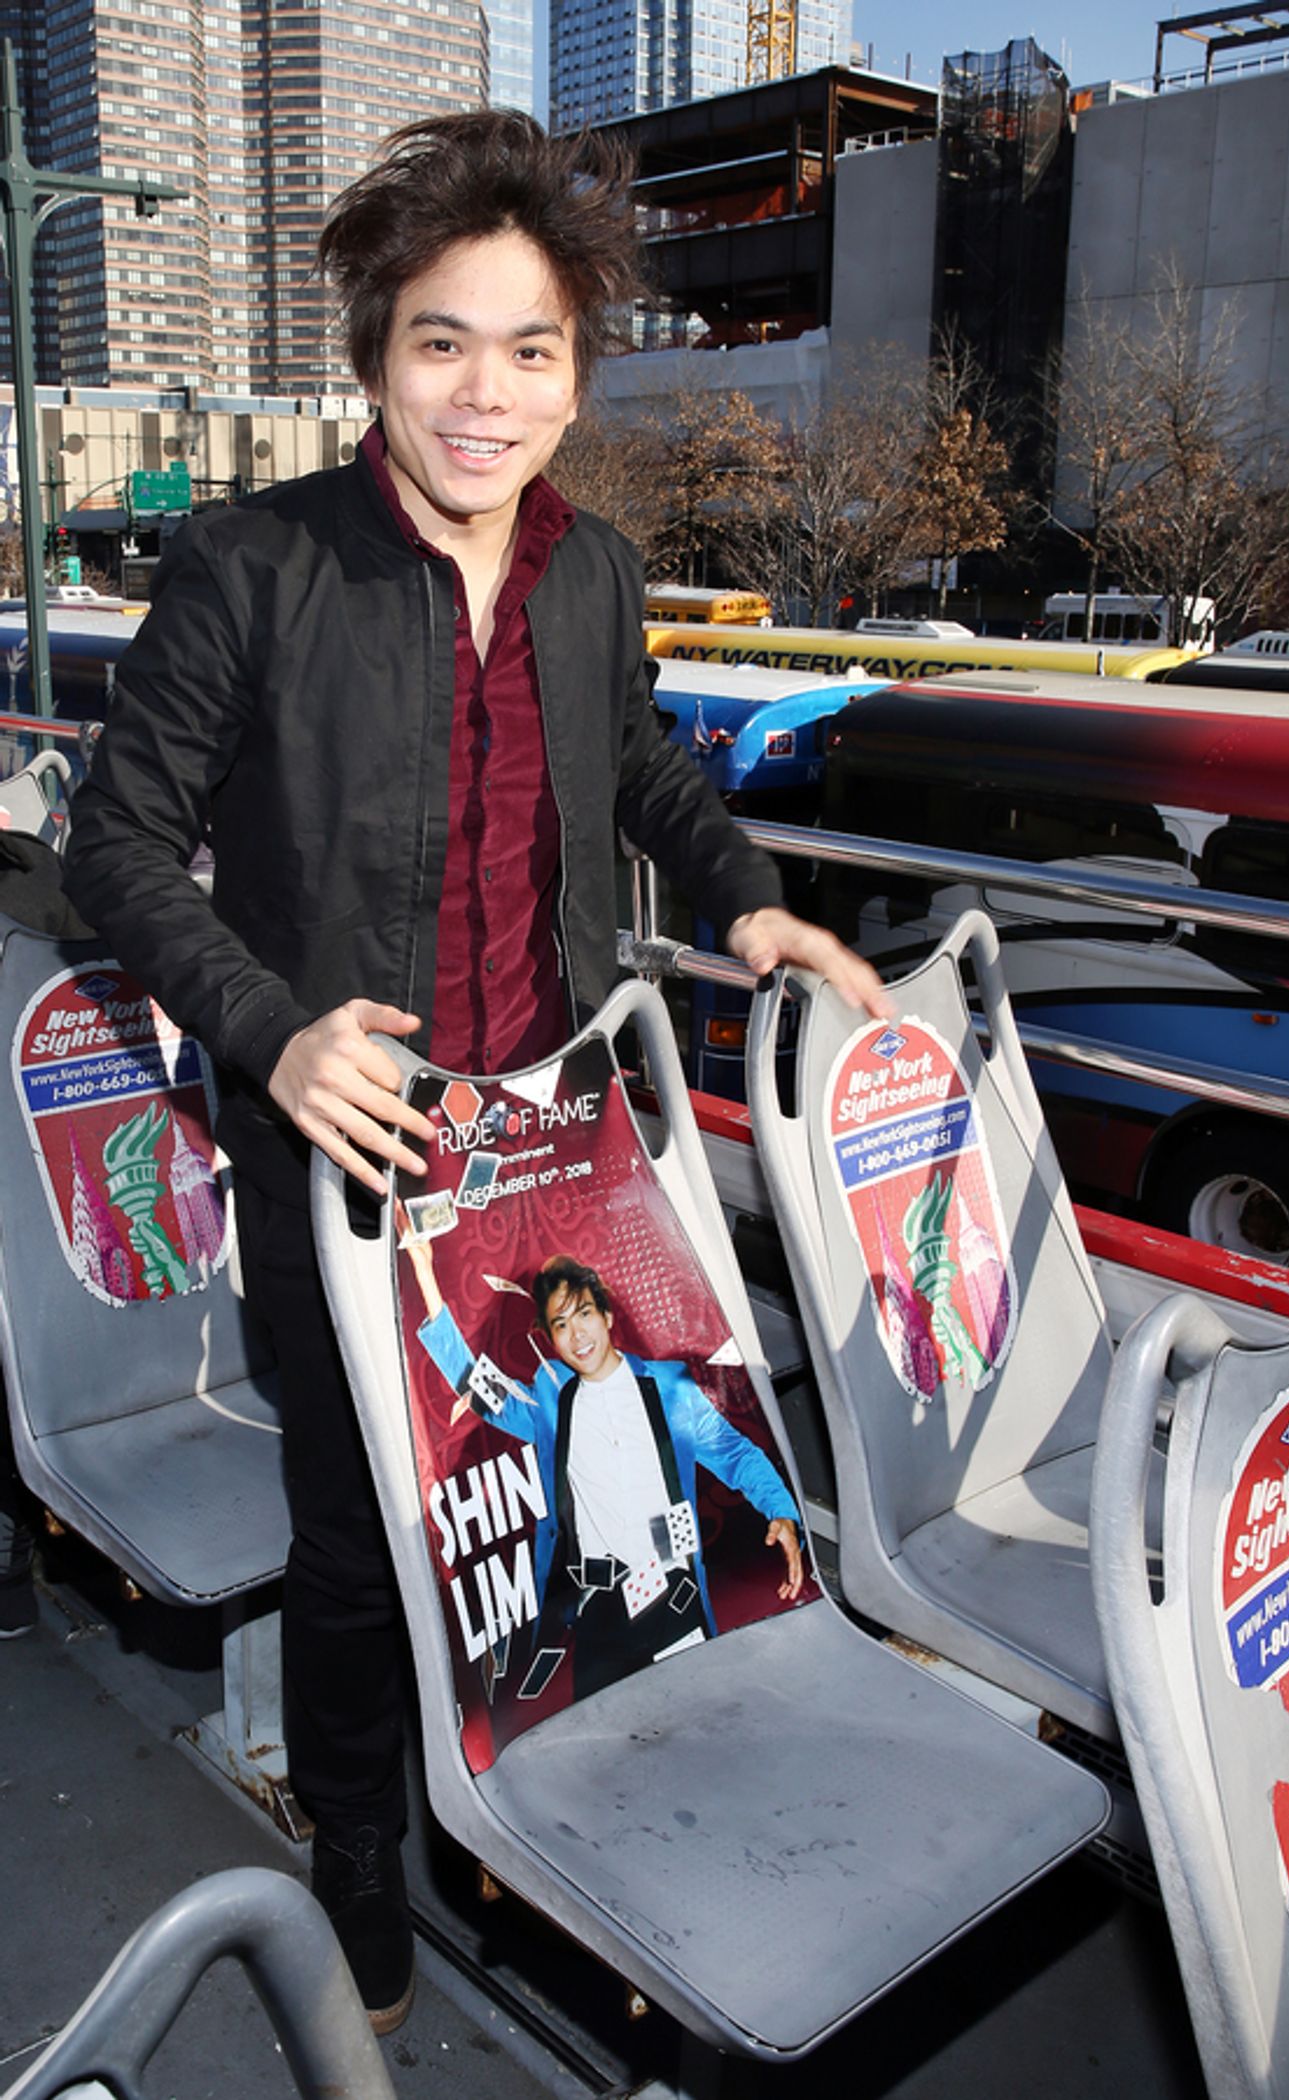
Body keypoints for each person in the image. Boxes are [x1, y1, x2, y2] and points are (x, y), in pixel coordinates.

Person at [64, 110, 887, 2036]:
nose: (483, 393)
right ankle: (361, 1856)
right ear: (377, 358)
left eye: (529, 350)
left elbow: (642, 765)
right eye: (441, 341)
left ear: (580, 379)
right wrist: (272, 1032)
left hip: (546, 1140)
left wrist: (751, 905)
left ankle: (531, 1830)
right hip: (344, 1143)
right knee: (364, 1545)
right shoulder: (253, 565)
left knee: (554, 1495)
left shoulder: (595, 575)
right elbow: (115, 844)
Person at [404, 1242, 802, 1698]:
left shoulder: (670, 1389)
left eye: (585, 1314)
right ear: (550, 1339)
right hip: (599, 1614)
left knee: (696, 1715)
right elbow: (474, 1383)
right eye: (561, 1324)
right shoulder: (549, 1403)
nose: (578, 1335)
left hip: (675, 1596)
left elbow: (736, 1454)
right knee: (603, 1737)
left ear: (607, 1316)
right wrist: (425, 1273)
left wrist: (781, 1512)